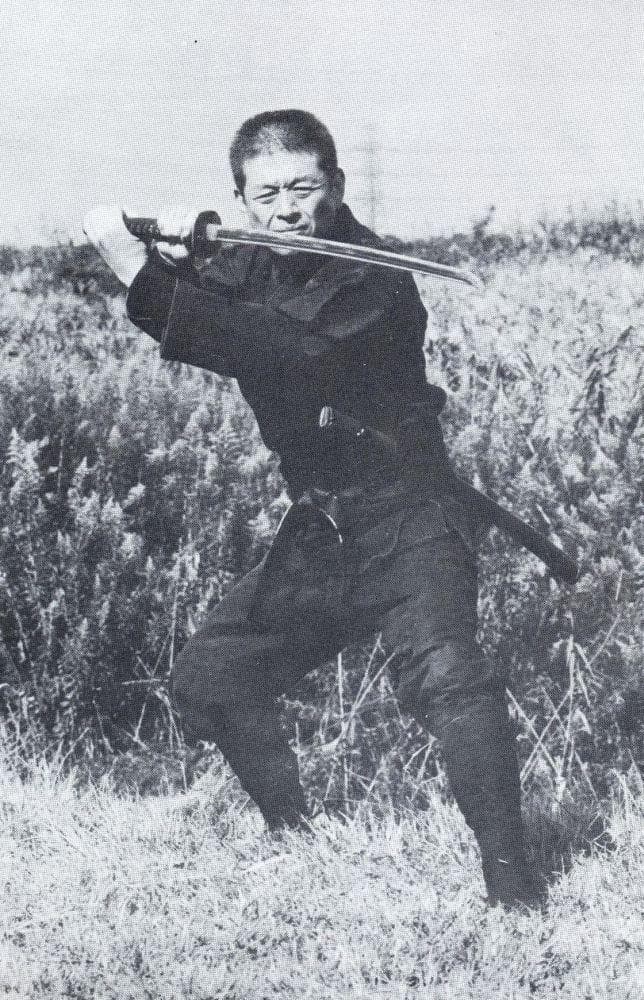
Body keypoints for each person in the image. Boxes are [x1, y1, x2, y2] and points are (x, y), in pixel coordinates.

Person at [84, 109, 543, 909]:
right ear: (241, 199)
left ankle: (516, 889)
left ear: (336, 184)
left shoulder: (375, 279)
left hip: (412, 516)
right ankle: (297, 839)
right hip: (325, 529)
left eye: (303, 188)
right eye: (266, 195)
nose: (287, 210)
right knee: (213, 677)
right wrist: (170, 258)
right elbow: (217, 302)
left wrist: (139, 274)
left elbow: (276, 347)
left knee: (449, 679)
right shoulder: (248, 263)